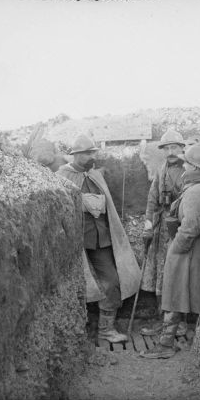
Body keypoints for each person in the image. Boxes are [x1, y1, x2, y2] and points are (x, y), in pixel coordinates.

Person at [57, 135, 141, 343]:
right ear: (75, 155)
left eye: (92, 152)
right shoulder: (62, 176)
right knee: (75, 286)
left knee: (111, 281)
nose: (91, 157)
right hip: (76, 244)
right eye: (86, 153)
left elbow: (108, 208)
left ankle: (106, 329)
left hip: (101, 240)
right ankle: (74, 333)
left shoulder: (95, 175)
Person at [140, 143, 200, 359]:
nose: (185, 166)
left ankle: (165, 344)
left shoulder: (194, 192)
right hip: (193, 251)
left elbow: (190, 225)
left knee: (173, 293)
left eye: (188, 163)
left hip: (186, 252)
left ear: (195, 167)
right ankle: (185, 340)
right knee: (183, 294)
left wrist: (176, 248)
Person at [140, 129, 187, 337]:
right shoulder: (161, 170)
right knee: (161, 275)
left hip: (181, 230)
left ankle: (181, 324)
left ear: (182, 148)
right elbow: (152, 200)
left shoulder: (188, 170)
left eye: (174, 147)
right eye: (167, 148)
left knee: (178, 275)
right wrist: (148, 226)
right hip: (162, 230)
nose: (171, 152)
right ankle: (164, 322)